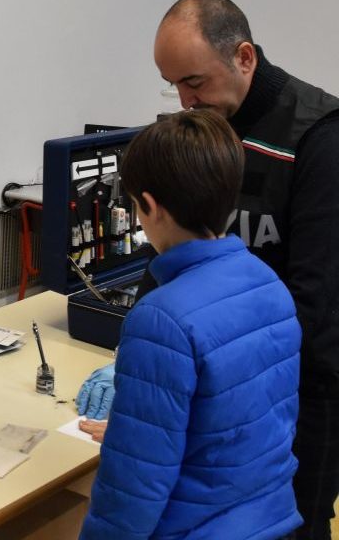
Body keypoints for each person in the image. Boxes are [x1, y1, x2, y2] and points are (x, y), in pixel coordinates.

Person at [79, 0, 339, 538]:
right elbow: (173, 256)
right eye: (172, 84)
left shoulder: (319, 140)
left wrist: (200, 393)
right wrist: (141, 371)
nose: (185, 100)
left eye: (194, 82)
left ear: (244, 58)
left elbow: (315, 308)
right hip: (224, 394)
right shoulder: (203, 126)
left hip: (302, 396)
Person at [79, 109, 302, 539]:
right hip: (273, 521)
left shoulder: (161, 319)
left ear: (148, 206)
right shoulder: (269, 284)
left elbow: (133, 490)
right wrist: (138, 428)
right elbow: (247, 424)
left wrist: (136, 447)